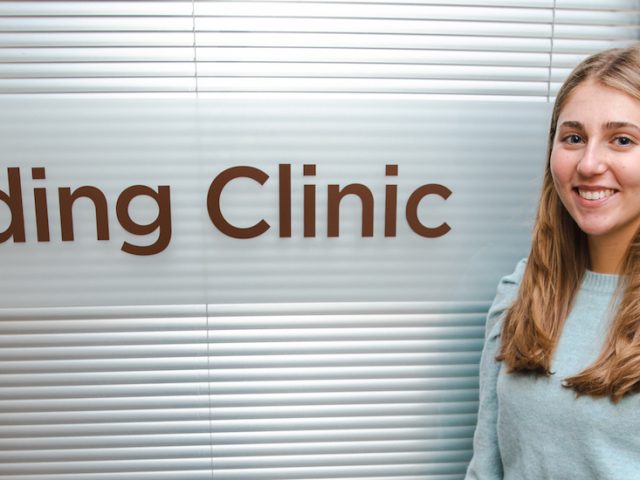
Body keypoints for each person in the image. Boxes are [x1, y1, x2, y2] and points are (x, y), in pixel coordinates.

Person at [465, 44, 640, 480]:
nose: (589, 163)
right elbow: (486, 467)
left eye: (622, 140)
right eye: (573, 138)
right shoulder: (523, 290)